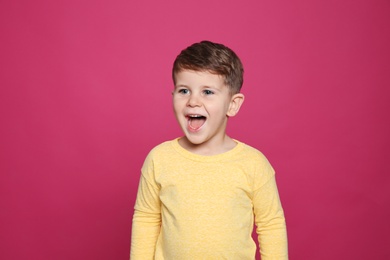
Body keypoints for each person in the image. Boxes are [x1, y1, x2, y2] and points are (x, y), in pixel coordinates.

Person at [130, 40, 288, 259]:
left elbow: (271, 225)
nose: (193, 101)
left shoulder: (254, 164)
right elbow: (146, 219)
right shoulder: (159, 158)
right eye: (184, 90)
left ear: (233, 104)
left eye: (207, 92)